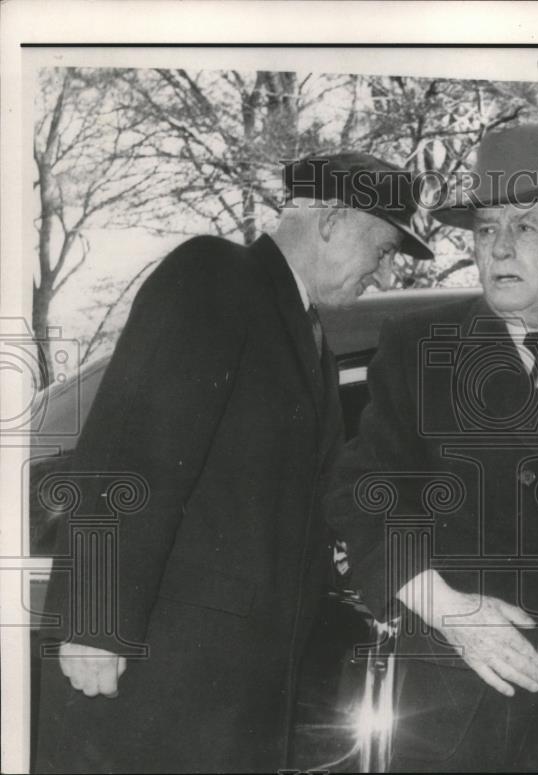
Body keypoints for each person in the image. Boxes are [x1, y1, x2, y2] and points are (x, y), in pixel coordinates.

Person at [34, 153, 433, 774]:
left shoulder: (310, 338)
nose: (381, 276)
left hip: (232, 693)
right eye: (382, 251)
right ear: (332, 219)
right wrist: (94, 622)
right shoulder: (216, 274)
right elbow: (129, 448)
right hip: (156, 678)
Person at [328, 124, 538, 771]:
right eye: (485, 228)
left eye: (525, 226)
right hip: (460, 723)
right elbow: (363, 494)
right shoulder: (421, 348)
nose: (499, 247)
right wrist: (446, 607)